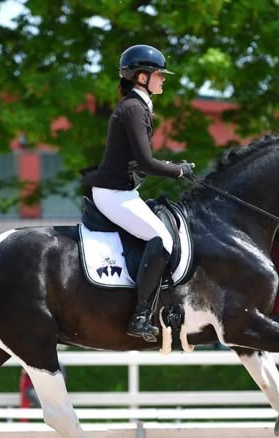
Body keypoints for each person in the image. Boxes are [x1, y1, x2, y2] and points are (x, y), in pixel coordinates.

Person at [82, 44, 195, 343]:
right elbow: (145, 162)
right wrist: (178, 170)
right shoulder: (133, 108)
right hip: (112, 193)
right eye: (159, 74)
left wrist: (173, 166)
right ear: (142, 77)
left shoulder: (139, 105)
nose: (163, 79)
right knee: (162, 238)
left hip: (122, 191)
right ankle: (140, 315)